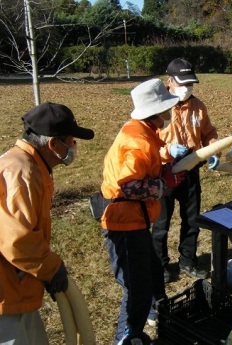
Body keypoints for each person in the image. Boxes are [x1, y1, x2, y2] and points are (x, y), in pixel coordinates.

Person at [0, 102, 94, 344]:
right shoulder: (24, 174)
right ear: (54, 144)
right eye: (71, 141)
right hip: (5, 293)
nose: (74, 147)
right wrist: (51, 268)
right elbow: (17, 241)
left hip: (15, 285)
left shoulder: (24, 164)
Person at [100, 79, 186, 345]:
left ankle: (148, 316)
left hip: (136, 220)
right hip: (125, 223)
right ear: (156, 112)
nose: (170, 113)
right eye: (166, 109)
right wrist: (164, 183)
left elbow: (147, 160)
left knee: (150, 273)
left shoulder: (140, 131)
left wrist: (165, 157)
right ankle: (125, 338)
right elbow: (130, 185)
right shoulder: (138, 140)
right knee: (136, 287)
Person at [152, 58, 219, 284]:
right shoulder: (157, 109)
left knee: (191, 219)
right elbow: (146, 143)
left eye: (190, 84)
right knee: (161, 222)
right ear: (169, 81)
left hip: (191, 169)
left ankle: (188, 261)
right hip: (164, 171)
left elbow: (208, 132)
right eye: (182, 84)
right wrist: (167, 150)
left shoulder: (198, 106)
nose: (187, 89)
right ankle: (159, 264)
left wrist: (212, 149)